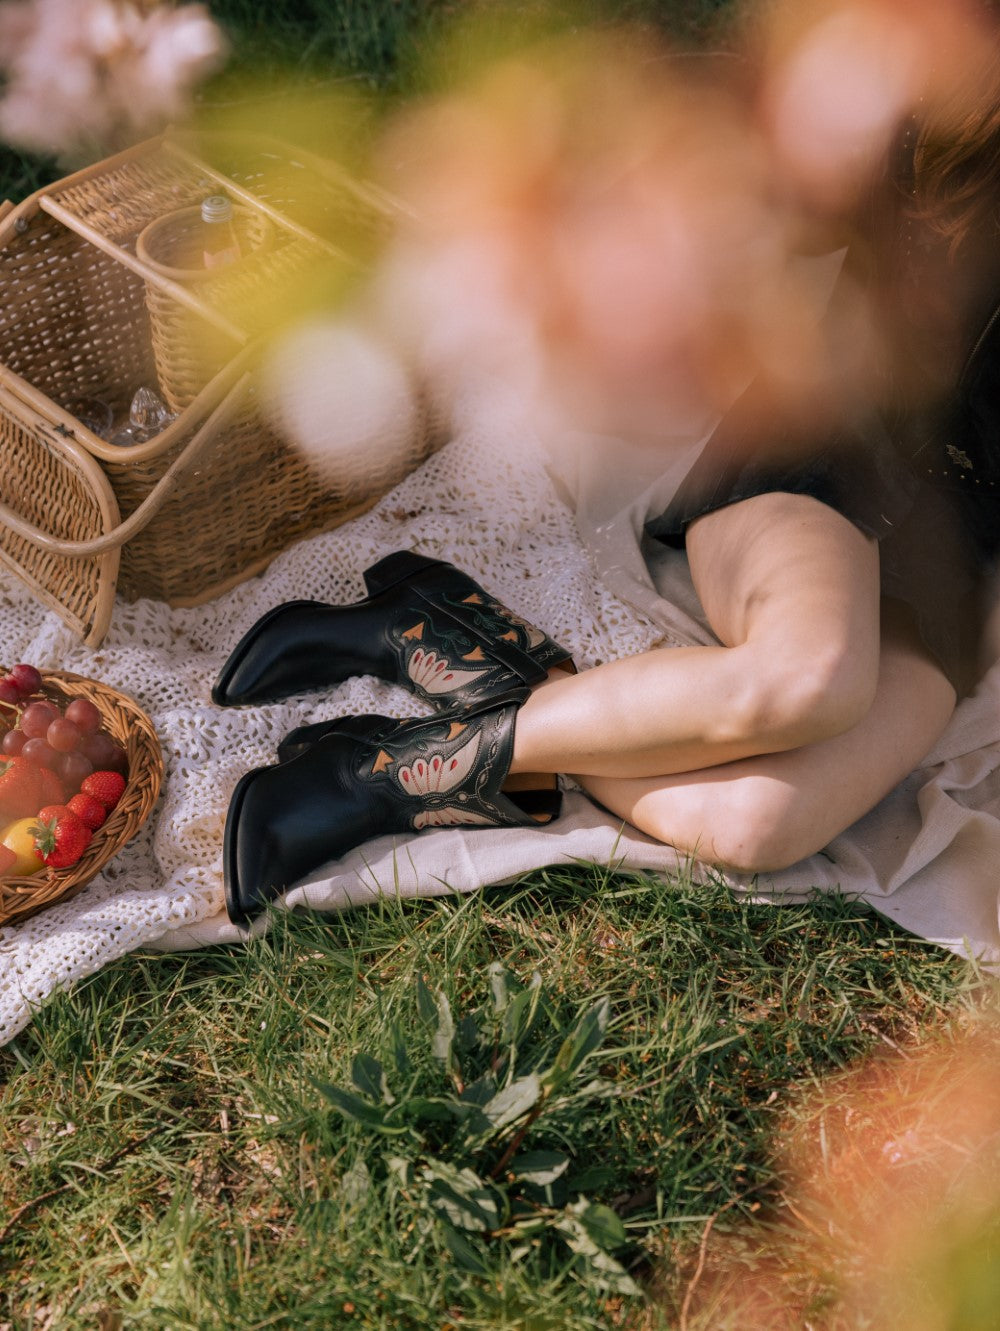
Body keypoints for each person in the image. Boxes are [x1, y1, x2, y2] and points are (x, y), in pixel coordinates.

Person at [212, 65, 1000, 927]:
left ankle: (458, 645)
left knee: (755, 823)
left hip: (946, 579)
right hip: (840, 464)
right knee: (809, 679)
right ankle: (374, 778)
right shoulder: (954, 94)